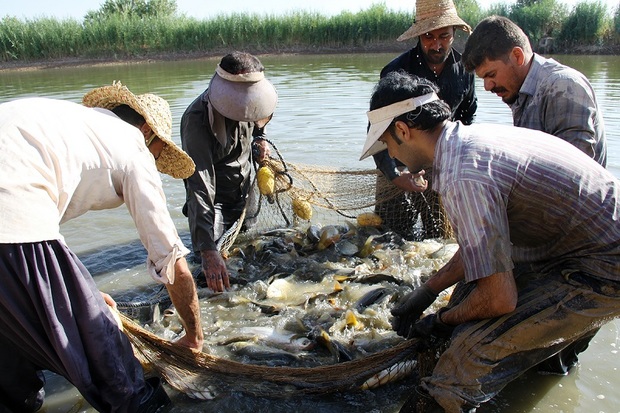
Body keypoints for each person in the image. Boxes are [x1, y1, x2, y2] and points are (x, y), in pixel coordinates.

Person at [360, 71, 620, 412]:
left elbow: (500, 298)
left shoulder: (462, 175)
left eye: (389, 143)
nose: (392, 154)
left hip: (601, 269)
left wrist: (441, 321)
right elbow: (481, 247)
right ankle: (538, 365)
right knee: (469, 299)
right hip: (568, 246)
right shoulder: (466, 141)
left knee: (467, 356)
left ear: (404, 130)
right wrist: (428, 291)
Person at [0, 82, 204, 413]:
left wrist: (86, 291)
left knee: (10, 361)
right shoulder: (134, 148)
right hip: (13, 215)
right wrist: (193, 338)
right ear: (148, 132)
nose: (154, 160)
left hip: (16, 216)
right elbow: (172, 262)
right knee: (111, 366)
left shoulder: (74, 123)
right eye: (157, 154)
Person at [372, 0, 477, 240]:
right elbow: (379, 130)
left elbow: (467, 115)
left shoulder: (464, 70)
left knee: (439, 234)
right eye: (428, 36)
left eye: (444, 36)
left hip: (440, 161)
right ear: (418, 35)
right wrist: (396, 175)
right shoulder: (396, 72)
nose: (436, 44)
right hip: (399, 159)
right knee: (390, 234)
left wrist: (456, 160)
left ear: (454, 34)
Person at [181, 51, 278, 293]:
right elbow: (200, 186)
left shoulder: (252, 103)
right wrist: (207, 251)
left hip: (245, 190)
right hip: (216, 203)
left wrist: (260, 139)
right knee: (209, 270)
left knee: (249, 251)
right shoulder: (197, 121)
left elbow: (261, 118)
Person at [462, 15, 606, 166]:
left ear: (517, 56)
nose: (487, 86)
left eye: (491, 75)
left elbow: (574, 175)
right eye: (482, 78)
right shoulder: (521, 91)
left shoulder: (563, 87)